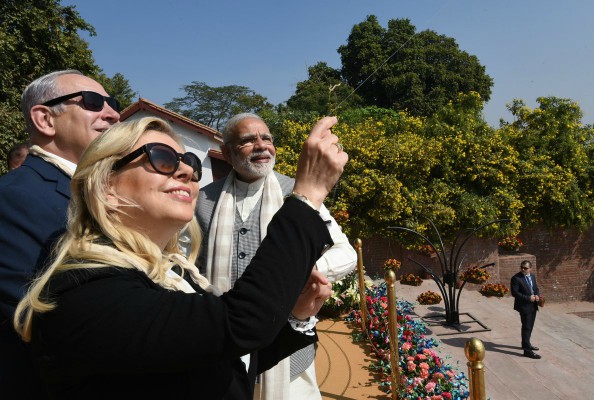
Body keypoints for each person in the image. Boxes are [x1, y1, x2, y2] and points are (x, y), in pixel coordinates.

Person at [13, 115, 346, 399]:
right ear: (105, 187)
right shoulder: (88, 291)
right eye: (161, 158)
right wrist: (306, 198)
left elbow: (222, 357)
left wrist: (295, 316)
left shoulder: (173, 274)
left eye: (189, 161)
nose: (186, 171)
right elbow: (237, 325)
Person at [196, 112, 356, 400]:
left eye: (266, 138)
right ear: (227, 153)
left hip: (287, 352)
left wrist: (301, 268)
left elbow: (346, 254)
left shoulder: (298, 195)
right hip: (221, 344)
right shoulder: (202, 200)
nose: (261, 145)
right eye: (248, 140)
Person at [0, 70, 120, 398]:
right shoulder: (13, 198)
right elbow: (38, 321)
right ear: (45, 119)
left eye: (114, 103)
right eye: (94, 103)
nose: (113, 113)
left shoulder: (104, 195)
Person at [510, 260, 542, 359]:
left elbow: (535, 288)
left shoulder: (532, 276)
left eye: (525, 268)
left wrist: (537, 295)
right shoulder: (516, 278)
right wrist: (528, 298)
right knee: (526, 327)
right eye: (522, 267)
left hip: (533, 305)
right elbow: (515, 293)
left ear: (530, 269)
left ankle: (526, 343)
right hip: (524, 306)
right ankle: (527, 351)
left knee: (530, 326)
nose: (523, 269)